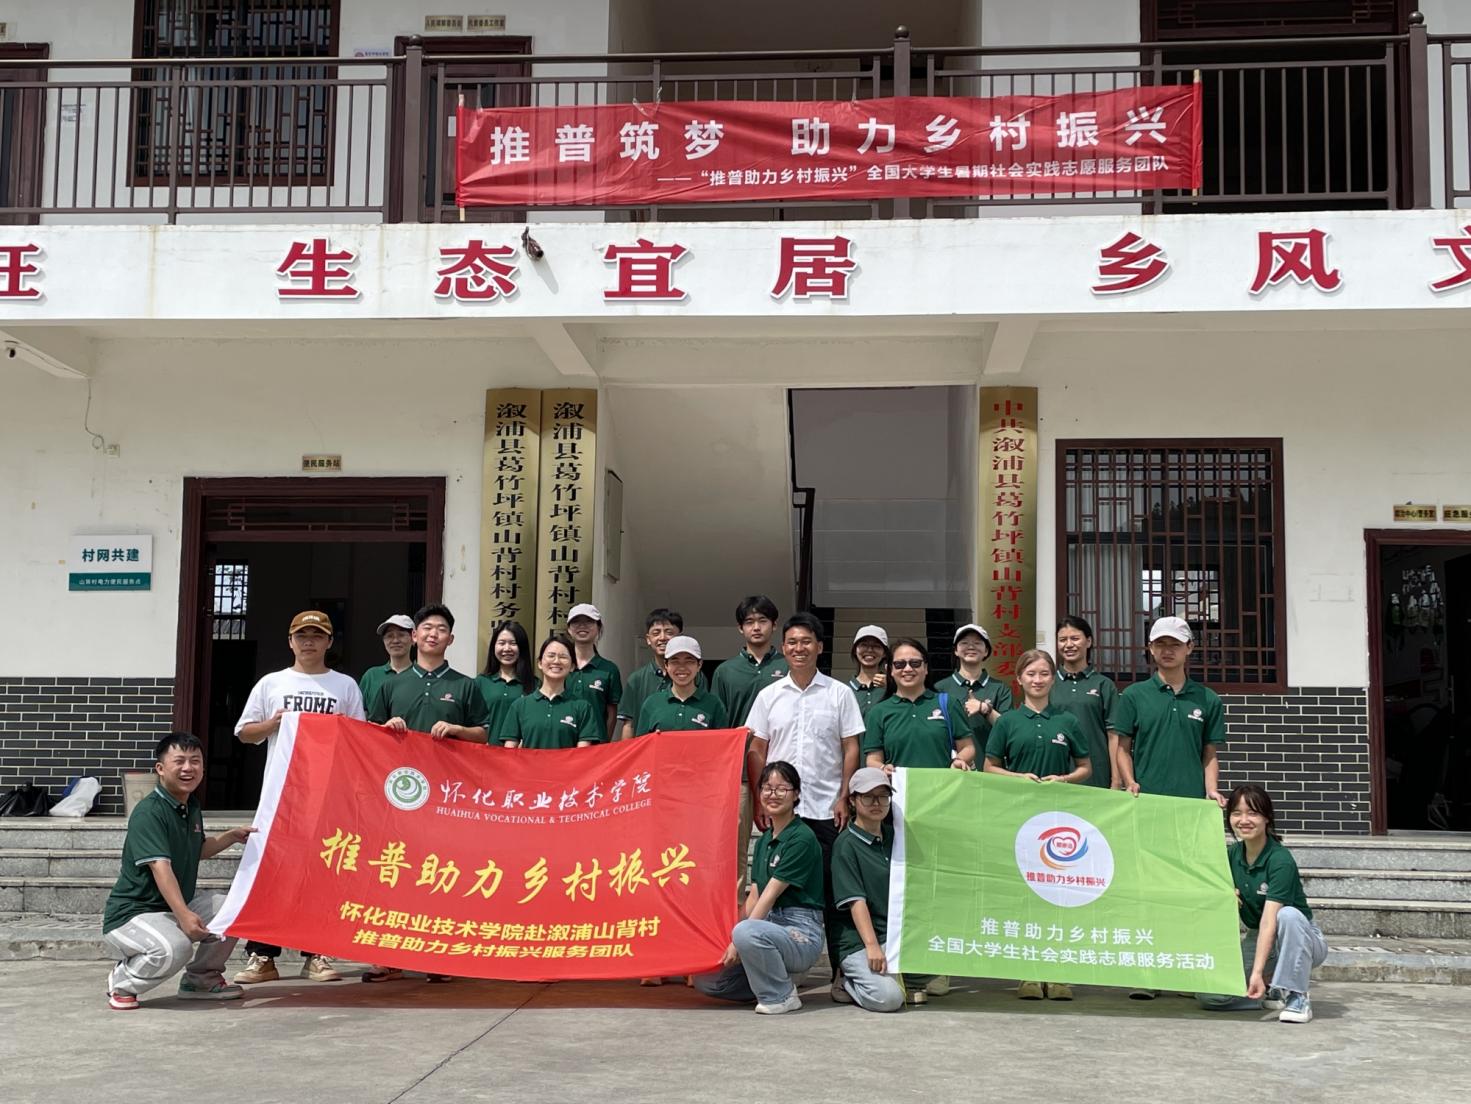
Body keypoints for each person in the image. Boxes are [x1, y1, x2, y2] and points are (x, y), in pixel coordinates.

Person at [233, 609, 365, 985]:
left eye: (317, 636)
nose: (309, 642)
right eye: (302, 635)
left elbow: (358, 738)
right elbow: (245, 733)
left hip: (326, 796)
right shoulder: (271, 683)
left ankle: (316, 955)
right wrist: (273, 724)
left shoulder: (344, 686)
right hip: (281, 796)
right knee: (272, 874)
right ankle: (262, 955)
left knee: (320, 873)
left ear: (329, 642)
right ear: (290, 642)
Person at [746, 611, 864, 1002]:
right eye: (792, 642)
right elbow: (757, 748)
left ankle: (840, 973)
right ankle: (786, 970)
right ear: (783, 648)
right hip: (782, 811)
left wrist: (844, 795)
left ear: (820, 647)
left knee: (832, 893)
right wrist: (760, 798)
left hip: (827, 809)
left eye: (806, 642)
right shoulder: (769, 695)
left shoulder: (838, 693)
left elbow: (851, 747)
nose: (799, 648)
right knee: (779, 892)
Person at [1110, 615, 1226, 1001]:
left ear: (1190, 648)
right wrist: (1128, 781)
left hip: (1189, 811)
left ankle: (1186, 970)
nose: (1167, 650)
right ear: (1150, 649)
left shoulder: (1206, 699)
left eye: (1175, 644)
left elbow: (1209, 753)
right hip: (1147, 807)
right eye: (1160, 644)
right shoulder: (1134, 696)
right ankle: (1148, 972)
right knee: (1147, 891)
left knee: (1187, 892)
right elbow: (1123, 748)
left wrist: (1211, 791)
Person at [103, 732, 256, 1010]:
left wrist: (231, 836)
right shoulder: (149, 812)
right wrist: (184, 915)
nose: (188, 768)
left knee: (233, 908)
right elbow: (160, 867)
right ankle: (123, 981)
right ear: (160, 769)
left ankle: (201, 980)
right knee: (176, 948)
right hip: (133, 914)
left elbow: (198, 850)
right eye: (180, 761)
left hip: (170, 909)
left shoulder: (190, 805)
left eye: (195, 761)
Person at [982, 648, 1092, 1002]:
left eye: (1044, 673)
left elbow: (1085, 767)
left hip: (1061, 823)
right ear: (1019, 679)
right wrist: (1018, 778)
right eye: (1031, 674)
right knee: (1026, 895)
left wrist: (1064, 779)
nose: (1038, 680)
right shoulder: (1008, 722)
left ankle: (1058, 973)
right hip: (1020, 820)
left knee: (1059, 895)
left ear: (1052, 678)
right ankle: (1028, 972)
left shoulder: (1067, 721)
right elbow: (989, 767)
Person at [693, 761, 825, 1015]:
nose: (773, 794)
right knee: (707, 981)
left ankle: (781, 995)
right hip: (768, 928)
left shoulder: (802, 838)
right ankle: (780, 977)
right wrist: (728, 939)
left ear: (796, 794)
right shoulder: (765, 840)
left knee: (746, 933)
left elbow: (770, 895)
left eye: (782, 788)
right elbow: (754, 895)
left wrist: (738, 940)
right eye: (767, 788)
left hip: (799, 931)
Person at [1197, 784, 1327, 1024]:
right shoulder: (1231, 854)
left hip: (1301, 938)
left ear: (1267, 818)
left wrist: (1256, 972)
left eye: (1252, 813)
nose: (1244, 820)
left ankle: (1297, 996)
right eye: (1237, 813)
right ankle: (1270, 989)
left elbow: (1269, 921)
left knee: (1287, 915)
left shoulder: (1280, 860)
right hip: (1258, 935)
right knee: (1211, 996)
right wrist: (1225, 895)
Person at [711, 596, 789, 891]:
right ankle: (737, 905)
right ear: (740, 628)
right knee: (736, 844)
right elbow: (719, 724)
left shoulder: (788, 666)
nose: (756, 627)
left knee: (783, 840)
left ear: (774, 625)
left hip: (783, 768)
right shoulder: (725, 671)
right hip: (740, 772)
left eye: (762, 621)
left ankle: (775, 903)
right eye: (749, 622)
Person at [830, 766, 904, 1013]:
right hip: (859, 940)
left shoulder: (896, 837)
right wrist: (871, 945)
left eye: (883, 796)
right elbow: (856, 901)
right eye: (868, 796)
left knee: (929, 976)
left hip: (893, 936)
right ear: (852, 800)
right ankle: (847, 981)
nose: (876, 803)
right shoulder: (846, 845)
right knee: (889, 998)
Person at [367, 603, 490, 743]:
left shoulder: (466, 685)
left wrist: (457, 729)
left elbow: (483, 735)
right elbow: (371, 733)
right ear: (414, 635)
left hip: (446, 758)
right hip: (402, 758)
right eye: (427, 628)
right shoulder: (391, 685)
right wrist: (387, 727)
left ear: (450, 639)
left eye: (441, 629)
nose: (433, 634)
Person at [863, 637, 972, 771]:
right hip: (899, 784)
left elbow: (967, 747)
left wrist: (958, 760)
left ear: (925, 668)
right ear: (890, 670)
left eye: (915, 663)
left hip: (942, 783)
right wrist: (883, 768)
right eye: (899, 664)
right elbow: (872, 759)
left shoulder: (948, 703)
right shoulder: (878, 712)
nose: (908, 669)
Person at [617, 608, 709, 741]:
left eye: (669, 632)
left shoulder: (697, 677)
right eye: (656, 633)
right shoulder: (636, 679)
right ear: (648, 639)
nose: (662, 638)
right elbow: (629, 724)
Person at [1050, 615, 1120, 789]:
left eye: (1075, 638)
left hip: (1096, 775)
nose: (1068, 645)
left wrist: (1116, 780)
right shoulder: (1048, 683)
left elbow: (1114, 735)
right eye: (1062, 640)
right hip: (1054, 775)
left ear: (1088, 641)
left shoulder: (1103, 685)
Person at [499, 634, 603, 748]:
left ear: (572, 666)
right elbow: (509, 751)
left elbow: (583, 754)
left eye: (563, 657)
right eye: (551, 655)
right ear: (540, 663)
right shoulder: (520, 706)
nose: (556, 661)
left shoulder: (583, 707)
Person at [936, 622, 1011, 755]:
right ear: (956, 650)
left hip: (991, 763)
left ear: (986, 651)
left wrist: (985, 708)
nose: (971, 647)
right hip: (952, 764)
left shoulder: (1000, 688)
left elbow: (1010, 728)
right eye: (964, 643)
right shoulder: (940, 688)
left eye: (977, 643)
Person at [635, 635, 729, 736]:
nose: (682, 667)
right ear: (666, 665)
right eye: (675, 661)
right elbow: (642, 743)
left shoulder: (714, 704)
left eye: (689, 661)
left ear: (699, 665)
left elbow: (723, 743)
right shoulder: (652, 703)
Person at [565, 603, 623, 742]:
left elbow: (611, 713)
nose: (582, 626)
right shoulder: (560, 666)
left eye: (589, 622)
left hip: (595, 744)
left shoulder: (609, 669)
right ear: (569, 629)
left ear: (599, 627)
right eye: (576, 622)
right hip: (563, 742)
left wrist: (604, 744)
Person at [476, 620, 534, 738]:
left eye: (513, 643)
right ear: (493, 647)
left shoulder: (535, 684)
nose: (507, 648)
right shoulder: (481, 682)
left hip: (521, 749)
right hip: (487, 748)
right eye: (501, 643)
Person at [358, 613, 414, 710]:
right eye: (389, 636)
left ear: (414, 638)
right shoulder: (371, 676)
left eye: (401, 635)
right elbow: (359, 713)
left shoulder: (421, 676)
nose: (395, 640)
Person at [848, 625, 892, 720]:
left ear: (884, 653)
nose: (869, 650)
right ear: (855, 650)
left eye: (876, 646)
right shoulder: (844, 690)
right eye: (864, 645)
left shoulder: (893, 688)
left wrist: (892, 687)